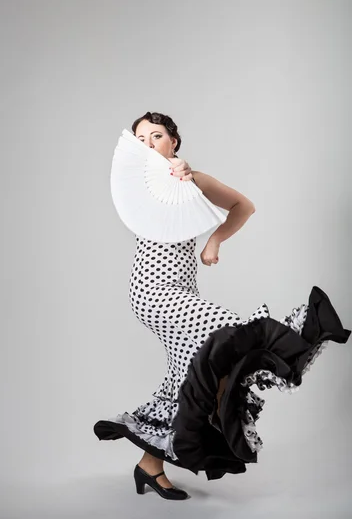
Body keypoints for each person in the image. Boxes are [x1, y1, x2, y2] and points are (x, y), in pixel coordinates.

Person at [93, 112, 350, 501]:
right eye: (140, 139)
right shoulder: (138, 185)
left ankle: (149, 466)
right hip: (152, 290)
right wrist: (163, 176)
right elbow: (144, 208)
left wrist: (214, 241)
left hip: (184, 288)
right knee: (229, 332)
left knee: (189, 375)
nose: (148, 144)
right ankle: (301, 339)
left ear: (174, 142)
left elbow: (243, 206)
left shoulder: (194, 181)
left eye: (156, 136)